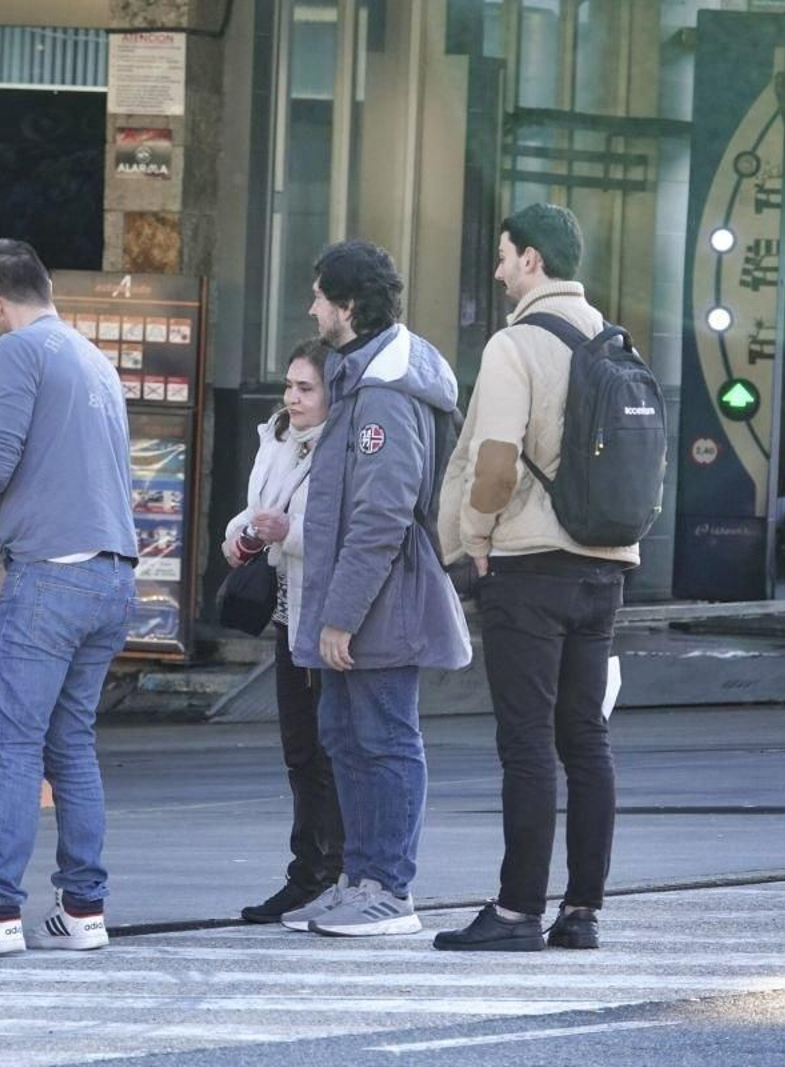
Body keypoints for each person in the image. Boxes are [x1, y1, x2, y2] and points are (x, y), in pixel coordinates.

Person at [0, 239, 138, 958]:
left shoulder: (17, 350)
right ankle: (82, 909)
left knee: (12, 743)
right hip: (113, 574)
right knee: (70, 743)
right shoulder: (91, 356)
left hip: (53, 578)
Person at [434, 203, 638, 953]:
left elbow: (495, 459)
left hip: (530, 566)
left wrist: (477, 536)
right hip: (603, 567)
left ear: (532, 261)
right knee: (586, 739)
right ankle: (581, 910)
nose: (496, 269)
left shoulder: (515, 344)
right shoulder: (613, 339)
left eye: (503, 255)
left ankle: (518, 910)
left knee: (526, 744)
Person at [288, 240, 472, 937]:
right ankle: (361, 878)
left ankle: (389, 889)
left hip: (383, 601)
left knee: (386, 738)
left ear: (349, 307)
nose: (311, 308)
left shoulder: (385, 395)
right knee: (346, 734)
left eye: (319, 296)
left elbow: (381, 514)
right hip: (366, 598)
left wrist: (340, 616)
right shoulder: (363, 379)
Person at [223, 339, 345, 925]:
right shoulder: (275, 436)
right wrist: (243, 533)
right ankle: (306, 874)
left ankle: (334, 871)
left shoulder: (343, 445)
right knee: (299, 748)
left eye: (306, 388)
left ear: (331, 393)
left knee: (333, 748)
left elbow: (341, 531)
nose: (293, 399)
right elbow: (253, 509)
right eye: (290, 387)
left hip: (326, 610)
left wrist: (285, 532)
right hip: (283, 606)